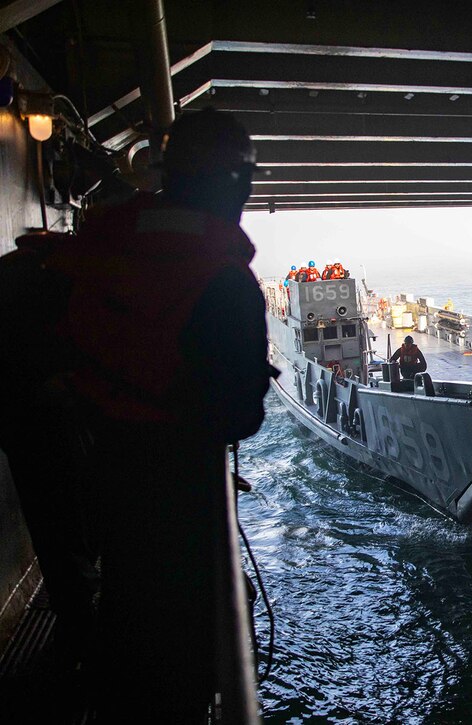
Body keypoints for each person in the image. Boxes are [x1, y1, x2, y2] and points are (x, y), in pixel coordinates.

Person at [25, 108, 274, 719]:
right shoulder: (225, 282)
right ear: (237, 184)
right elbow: (240, 416)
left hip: (92, 463)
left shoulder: (101, 244)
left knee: (121, 610)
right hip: (173, 487)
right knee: (181, 654)